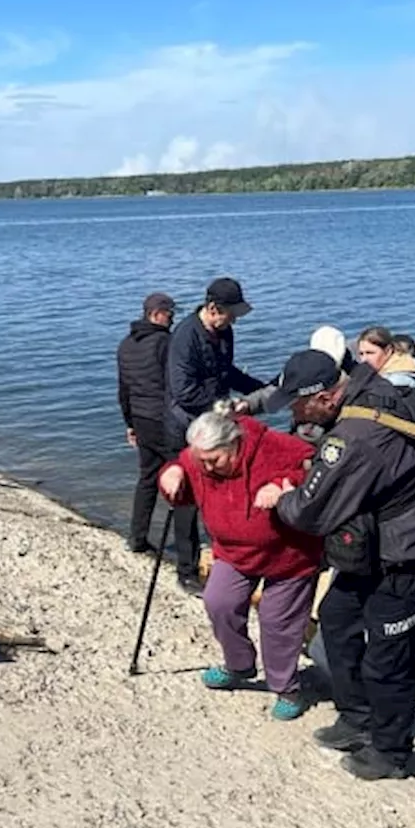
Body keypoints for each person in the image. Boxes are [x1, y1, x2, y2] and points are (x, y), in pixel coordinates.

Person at [254, 349, 415, 781]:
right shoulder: (375, 389)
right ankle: (358, 716)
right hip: (378, 540)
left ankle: (391, 751)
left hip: (410, 553)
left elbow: (310, 511)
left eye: (299, 403)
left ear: (326, 397)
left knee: (388, 656)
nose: (295, 413)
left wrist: (280, 498)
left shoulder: (353, 435)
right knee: (337, 616)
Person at [157, 403, 323, 720]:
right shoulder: (198, 458)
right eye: (200, 460)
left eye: (213, 460)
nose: (205, 467)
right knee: (219, 601)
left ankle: (286, 687)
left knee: (278, 622)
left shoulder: (273, 446)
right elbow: (182, 471)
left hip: (290, 554)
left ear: (233, 443)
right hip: (234, 551)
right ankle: (239, 665)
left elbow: (315, 469)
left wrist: (282, 486)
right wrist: (172, 473)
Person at [164, 277, 267, 594]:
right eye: (230, 314)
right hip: (186, 425)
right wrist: (223, 406)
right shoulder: (184, 337)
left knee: (225, 488)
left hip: (216, 421)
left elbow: (228, 371)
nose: (233, 321)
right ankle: (186, 569)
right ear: (212, 308)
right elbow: (183, 391)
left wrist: (260, 389)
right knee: (188, 499)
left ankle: (226, 556)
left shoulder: (225, 332)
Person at [117, 292, 177, 552]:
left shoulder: (126, 344)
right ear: (155, 314)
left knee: (147, 478)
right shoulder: (165, 342)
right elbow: (174, 385)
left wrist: (129, 424)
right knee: (183, 476)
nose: (173, 320)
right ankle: (188, 551)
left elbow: (124, 390)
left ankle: (137, 537)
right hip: (162, 419)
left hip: (141, 419)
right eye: (170, 314)